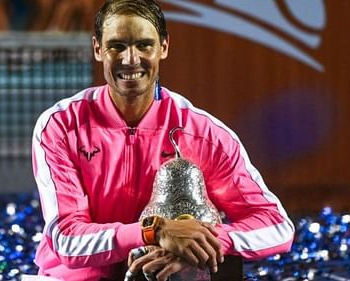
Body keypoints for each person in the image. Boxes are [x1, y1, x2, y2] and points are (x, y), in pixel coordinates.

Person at [31, 0, 295, 280]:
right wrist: (154, 231)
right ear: (98, 49)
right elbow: (66, 239)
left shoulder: (203, 133)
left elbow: (277, 226)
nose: (131, 59)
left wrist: (197, 241)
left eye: (144, 45)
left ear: (164, 47)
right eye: (117, 46)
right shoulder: (61, 125)